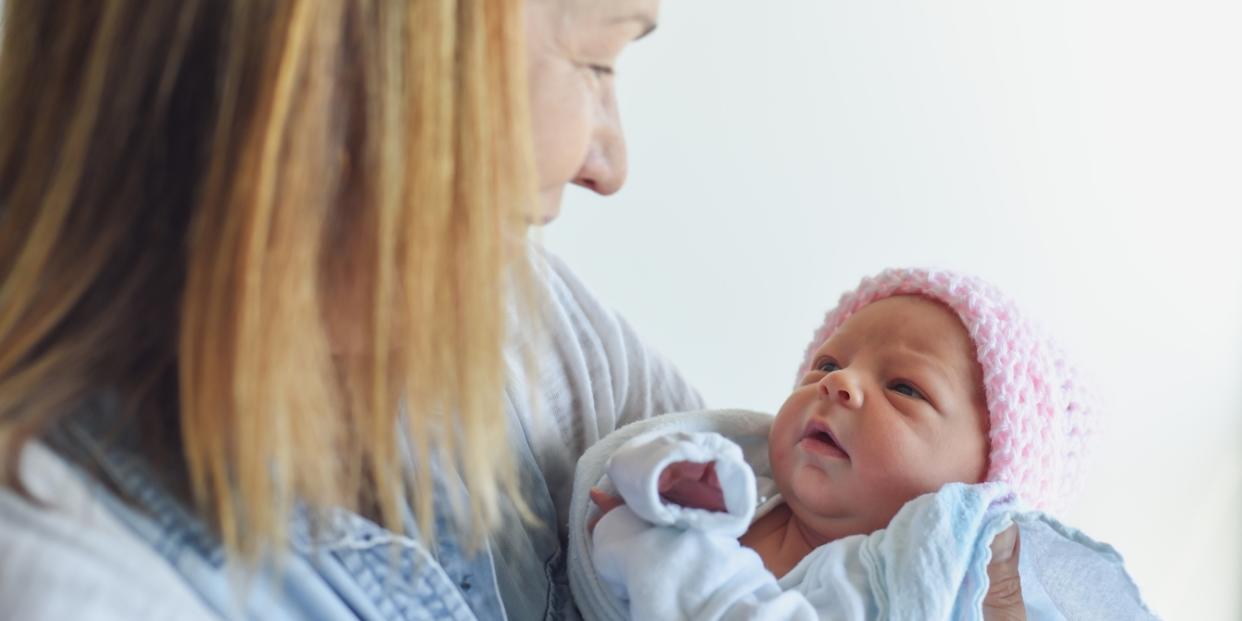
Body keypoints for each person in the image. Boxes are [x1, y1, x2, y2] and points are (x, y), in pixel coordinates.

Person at [0, 0, 1032, 618]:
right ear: (395, 54)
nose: (608, 160)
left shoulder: (533, 338)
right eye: (595, 58)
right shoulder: (70, 576)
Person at [575, 269, 1149, 619]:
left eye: (903, 388)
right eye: (827, 362)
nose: (838, 383)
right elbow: (652, 463)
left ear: (980, 494)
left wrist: (663, 551)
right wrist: (666, 485)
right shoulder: (743, 480)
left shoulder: (902, 587)